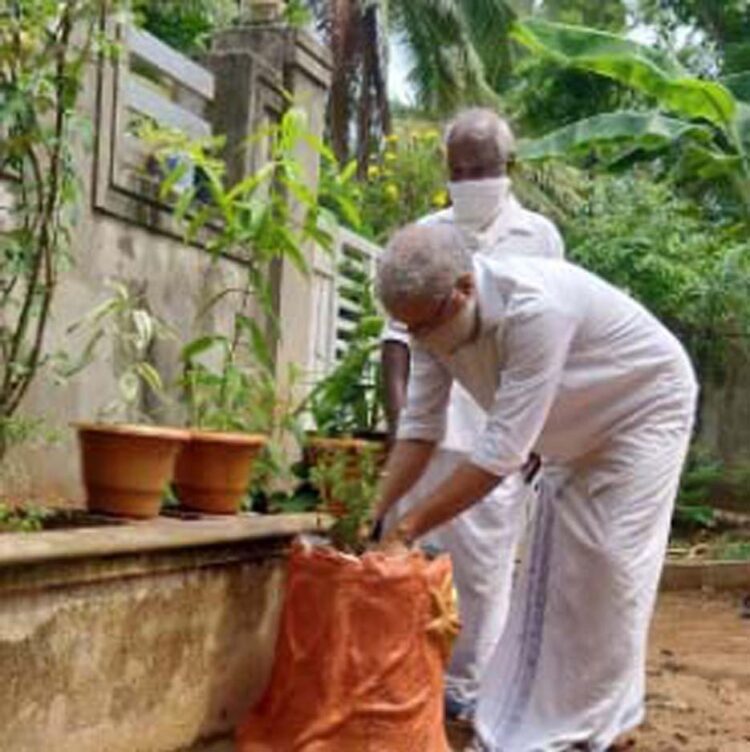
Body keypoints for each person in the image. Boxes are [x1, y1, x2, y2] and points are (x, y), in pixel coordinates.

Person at [374, 223, 698, 752]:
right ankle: (534, 711)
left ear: (464, 288)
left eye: (425, 326)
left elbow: (500, 454)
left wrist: (407, 530)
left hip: (643, 409)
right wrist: (376, 515)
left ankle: (604, 723)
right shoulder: (429, 328)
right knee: (557, 572)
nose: (420, 342)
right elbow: (419, 429)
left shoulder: (536, 310)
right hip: (571, 426)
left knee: (613, 563)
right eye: (409, 330)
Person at [381, 108, 564, 721]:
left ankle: (470, 694)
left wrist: (536, 427)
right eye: (458, 170)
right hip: (433, 433)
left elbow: (548, 343)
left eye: (480, 169)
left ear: (507, 169)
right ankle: (415, 681)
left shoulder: (539, 236)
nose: (469, 180)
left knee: (484, 577)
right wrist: (404, 431)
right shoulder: (426, 237)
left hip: (502, 431)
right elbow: (399, 345)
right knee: (420, 564)